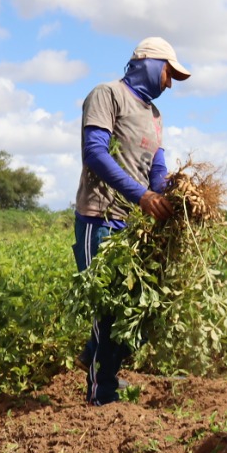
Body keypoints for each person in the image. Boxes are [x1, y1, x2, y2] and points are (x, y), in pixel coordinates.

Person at [73, 36, 191, 406]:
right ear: (151, 63)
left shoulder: (155, 117)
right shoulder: (107, 95)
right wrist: (141, 196)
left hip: (132, 227)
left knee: (139, 310)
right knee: (107, 309)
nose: (170, 83)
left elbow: (156, 172)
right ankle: (100, 393)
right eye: (169, 73)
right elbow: (94, 153)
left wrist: (176, 190)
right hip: (101, 217)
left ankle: (95, 358)